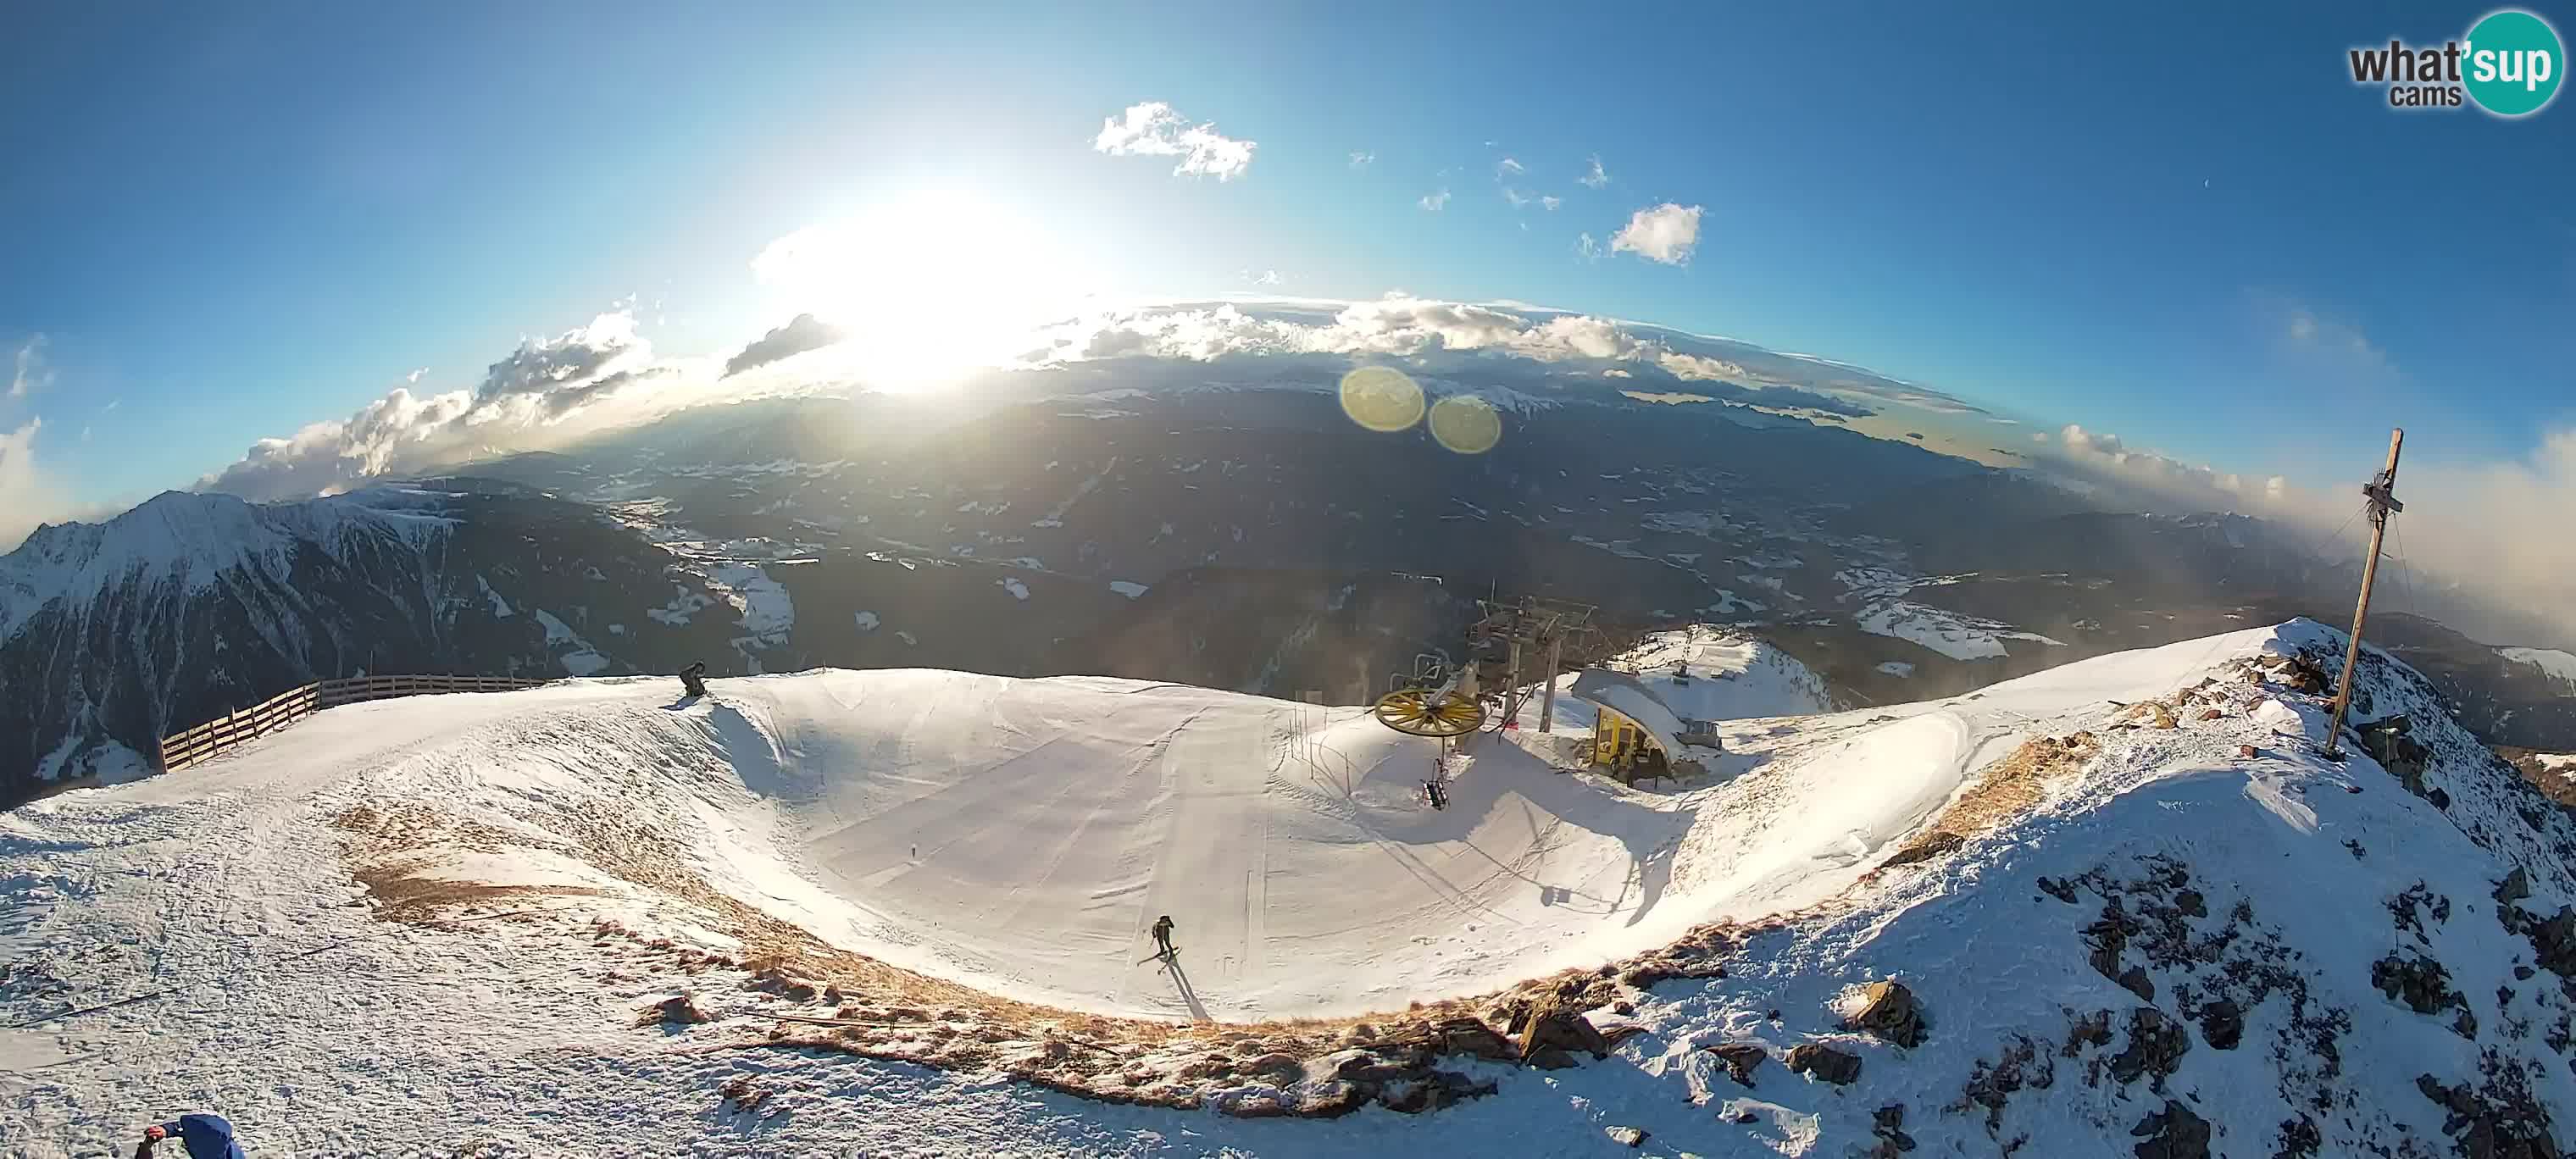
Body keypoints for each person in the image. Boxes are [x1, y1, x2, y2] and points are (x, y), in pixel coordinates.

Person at [137, 1114, 246, 1159]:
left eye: (187, 1143)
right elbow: (185, 1128)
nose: (185, 1145)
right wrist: (166, 1130)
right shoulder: (218, 1139)